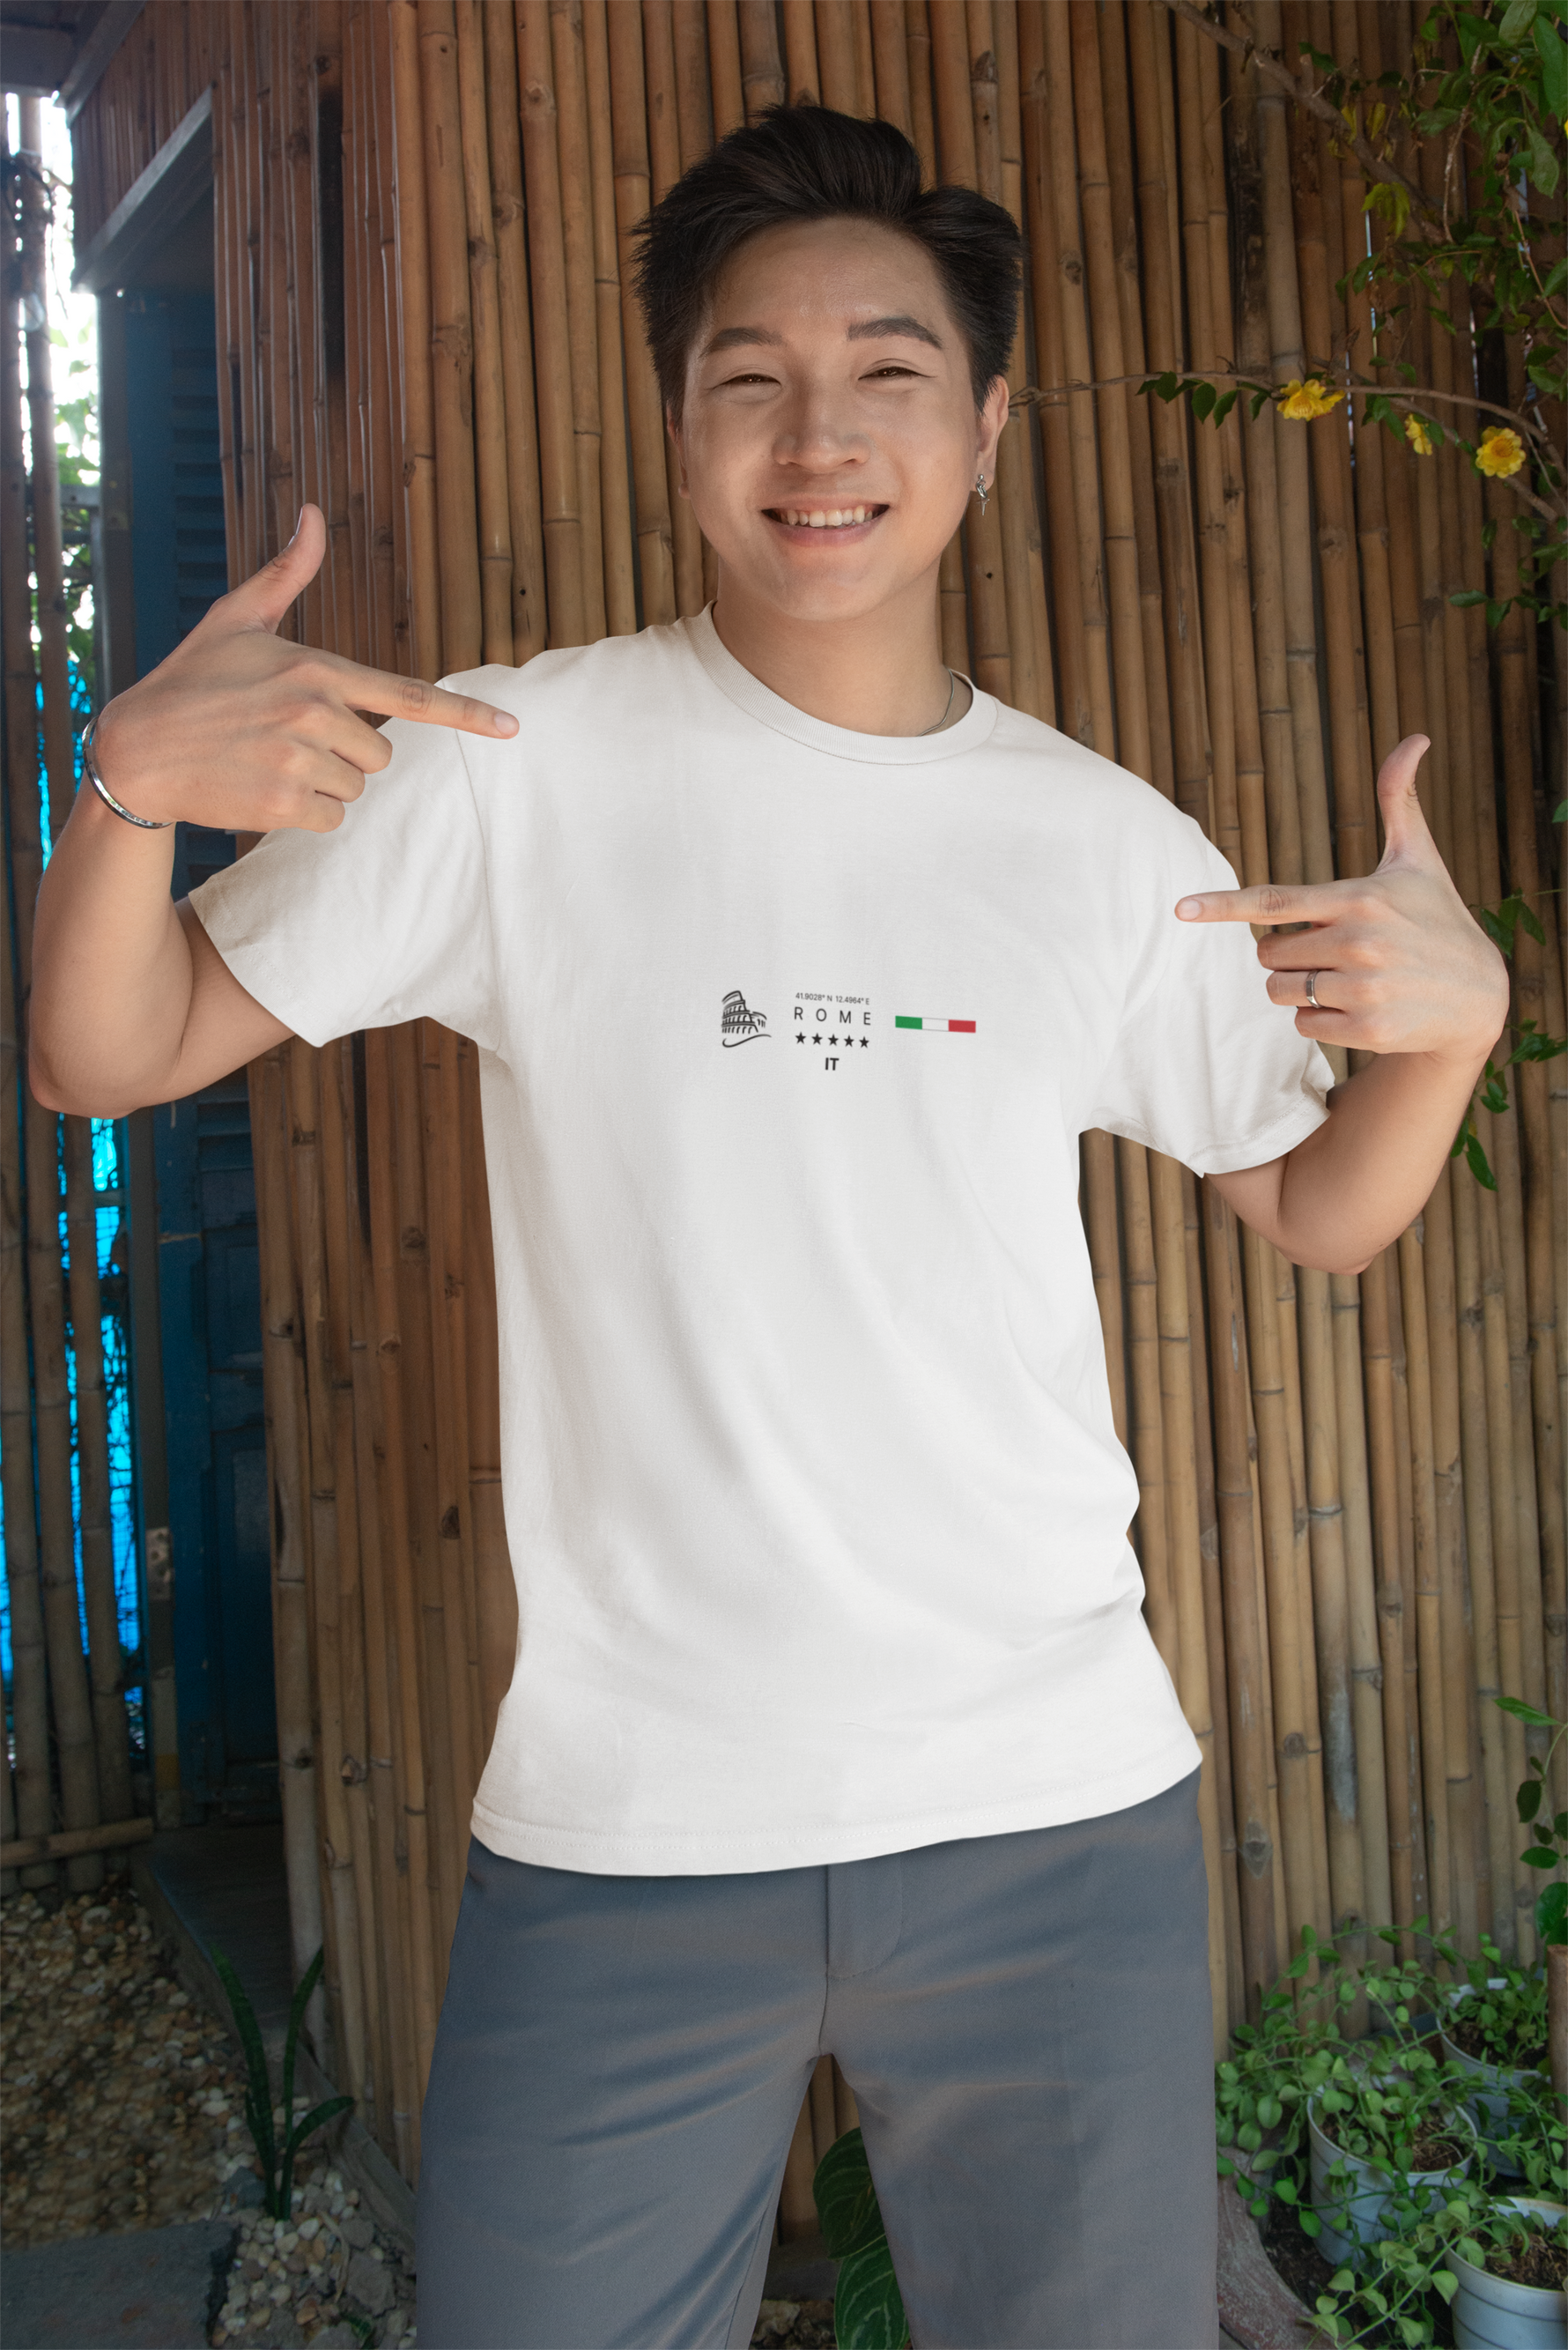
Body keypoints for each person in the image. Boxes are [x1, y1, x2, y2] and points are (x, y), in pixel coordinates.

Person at [32, 104, 1504, 2350]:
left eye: (889, 371)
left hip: (1050, 1810)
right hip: (628, 1826)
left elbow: (1314, 1207)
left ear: (986, 427)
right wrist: (125, 778)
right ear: (675, 420)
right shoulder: (502, 763)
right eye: (748, 376)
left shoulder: (1099, 843)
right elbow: (104, 1048)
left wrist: (1452, 1033)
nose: (818, 435)